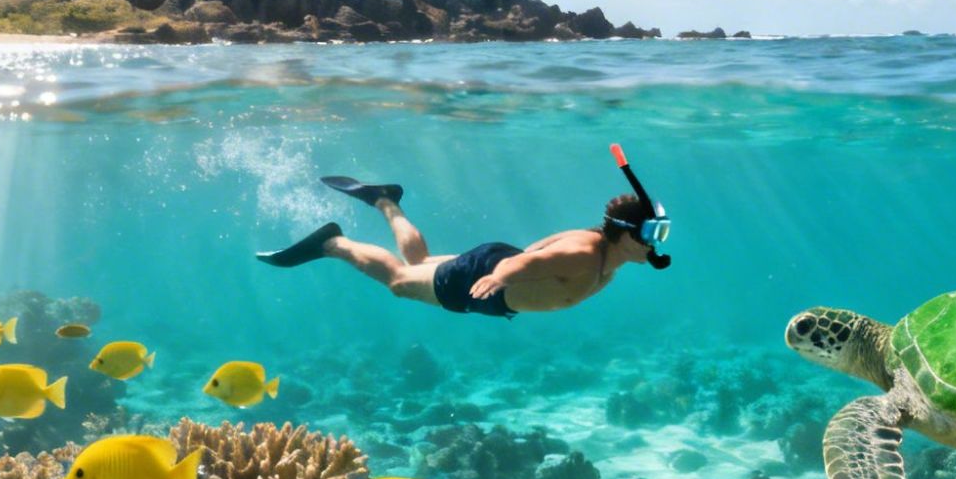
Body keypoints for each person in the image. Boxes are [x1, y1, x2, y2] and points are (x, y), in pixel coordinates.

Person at [257, 150, 671, 318]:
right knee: (401, 282)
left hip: (495, 273)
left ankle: (385, 200)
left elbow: (540, 248)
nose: (656, 242)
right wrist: (498, 277)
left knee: (419, 263)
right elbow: (529, 260)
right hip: (491, 280)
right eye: (652, 231)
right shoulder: (586, 254)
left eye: (661, 232)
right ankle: (333, 243)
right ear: (625, 233)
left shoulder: (604, 255)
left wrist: (503, 271)